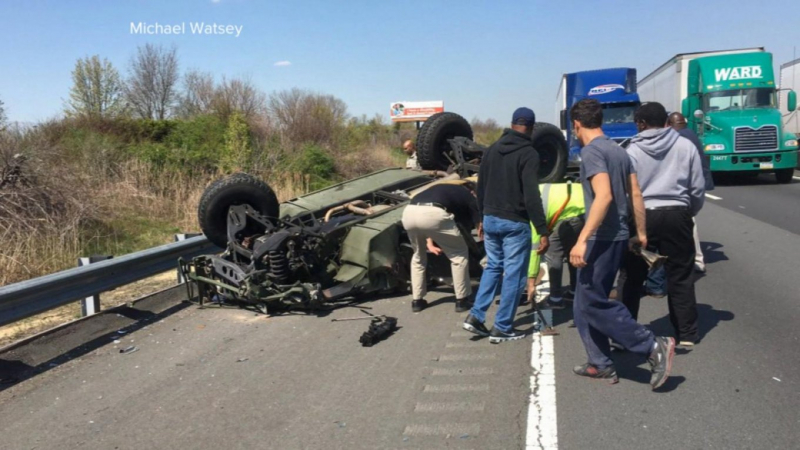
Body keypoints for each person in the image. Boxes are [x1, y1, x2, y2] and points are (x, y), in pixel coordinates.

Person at [568, 99, 675, 389]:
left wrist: (581, 240)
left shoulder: (591, 153)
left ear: (576, 124)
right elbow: (636, 194)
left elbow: (603, 197)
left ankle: (651, 345)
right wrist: (639, 233)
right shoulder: (619, 151)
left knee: (593, 301)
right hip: (616, 236)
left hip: (599, 238)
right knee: (582, 303)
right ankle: (599, 363)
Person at [619, 103, 705, 348]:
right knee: (680, 275)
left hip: (642, 215)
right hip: (677, 213)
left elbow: (627, 192)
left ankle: (626, 333)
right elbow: (697, 187)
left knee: (631, 277)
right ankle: (686, 333)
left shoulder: (631, 150)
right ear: (666, 121)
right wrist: (689, 211)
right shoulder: (685, 145)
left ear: (641, 124)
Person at [462, 107, 549, 344]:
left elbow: (480, 186)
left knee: (492, 267)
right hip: (514, 222)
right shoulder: (529, 154)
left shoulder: (491, 150)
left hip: (490, 218)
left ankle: (476, 317)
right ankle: (502, 327)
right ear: (530, 128)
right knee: (514, 275)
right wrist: (542, 230)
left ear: (512, 124)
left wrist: (481, 217)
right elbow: (531, 195)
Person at [402, 181, 481, 313]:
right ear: (472, 191)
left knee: (418, 257)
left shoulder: (440, 190)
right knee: (458, 255)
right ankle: (462, 299)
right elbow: (478, 223)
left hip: (409, 213)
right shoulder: (467, 194)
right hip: (433, 213)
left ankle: (417, 301)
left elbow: (427, 222)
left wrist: (429, 243)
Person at [527, 182, 585, 310]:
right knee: (572, 250)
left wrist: (531, 281)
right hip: (586, 211)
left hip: (570, 215)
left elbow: (536, 248)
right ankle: (574, 291)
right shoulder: (538, 188)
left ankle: (556, 299)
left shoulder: (532, 207)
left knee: (553, 252)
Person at [668, 112, 713, 273]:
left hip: (687, 185)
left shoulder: (680, 138)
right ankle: (695, 258)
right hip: (696, 182)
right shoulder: (691, 134)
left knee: (689, 223)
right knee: (689, 222)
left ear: (671, 124)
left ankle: (696, 260)